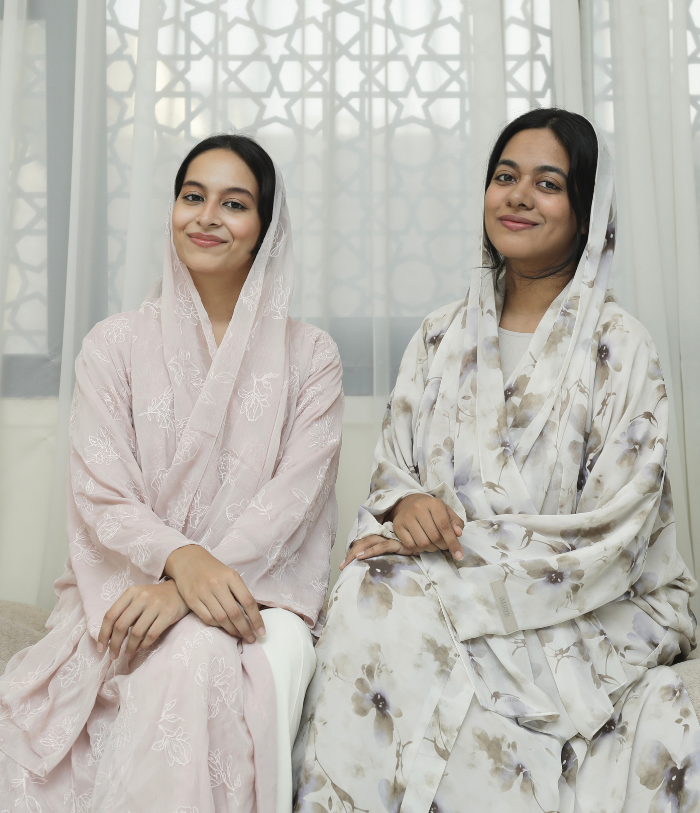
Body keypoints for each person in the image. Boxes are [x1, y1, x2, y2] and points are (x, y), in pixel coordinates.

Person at [293, 109, 699, 813]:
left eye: (548, 183)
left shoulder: (622, 347)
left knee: (392, 602)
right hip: (441, 579)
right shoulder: (438, 336)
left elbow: (617, 529)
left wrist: (461, 553)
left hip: (585, 603)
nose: (518, 196)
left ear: (586, 211)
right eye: (505, 177)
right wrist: (407, 505)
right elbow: (394, 471)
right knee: (366, 590)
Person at [0, 135, 343, 811]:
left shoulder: (312, 357)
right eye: (193, 196)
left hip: (254, 597)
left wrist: (190, 589)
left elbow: (294, 502)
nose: (207, 216)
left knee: (195, 655)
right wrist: (179, 562)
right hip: (125, 591)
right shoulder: (113, 345)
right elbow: (103, 495)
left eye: (234, 203)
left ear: (267, 228)